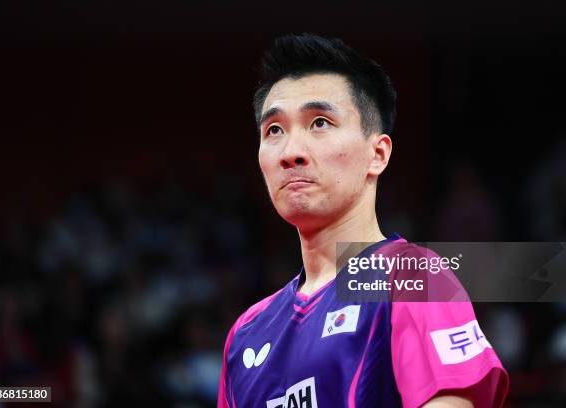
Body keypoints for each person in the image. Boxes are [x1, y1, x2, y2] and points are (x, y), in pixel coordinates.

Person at [217, 33, 508, 408]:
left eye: (319, 123)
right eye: (274, 130)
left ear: (378, 154)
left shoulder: (411, 276)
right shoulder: (245, 333)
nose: (290, 152)